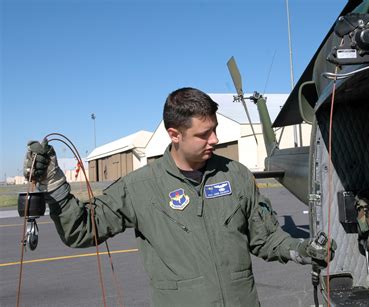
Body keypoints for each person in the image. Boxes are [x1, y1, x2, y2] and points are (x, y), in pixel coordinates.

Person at [24, 87, 336, 306]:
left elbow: (265, 239)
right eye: (204, 134)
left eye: (214, 129)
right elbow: (81, 229)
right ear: (175, 135)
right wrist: (54, 183)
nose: (215, 139)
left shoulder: (236, 176)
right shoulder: (139, 187)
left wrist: (301, 249)